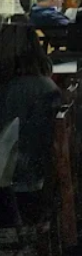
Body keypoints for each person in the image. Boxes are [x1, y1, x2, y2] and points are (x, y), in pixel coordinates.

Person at [0, 25, 62, 216]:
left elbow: (4, 143)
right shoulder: (44, 84)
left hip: (15, 186)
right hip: (34, 178)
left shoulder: (15, 90)